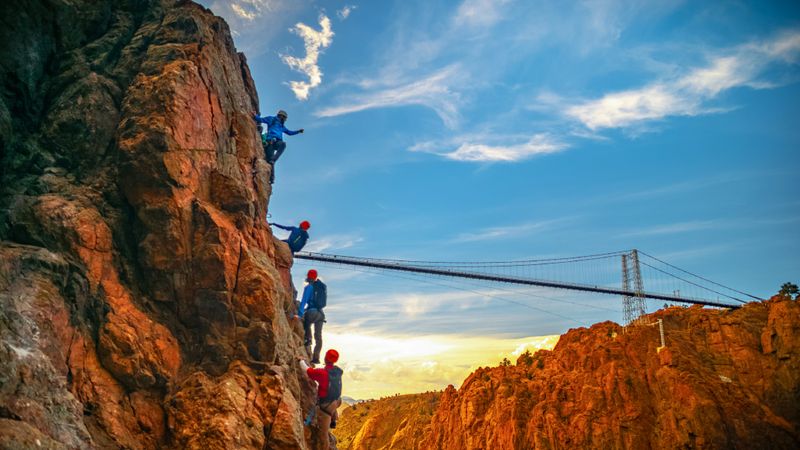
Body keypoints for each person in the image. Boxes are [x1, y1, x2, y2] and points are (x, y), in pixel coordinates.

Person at [299, 349, 343, 448]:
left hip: (326, 407)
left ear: (325, 358)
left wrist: (301, 360)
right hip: (338, 401)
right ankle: (333, 419)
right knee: (333, 408)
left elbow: (307, 370)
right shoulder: (337, 372)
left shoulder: (323, 373)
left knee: (323, 435)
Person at [253, 110, 304, 183]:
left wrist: (298, 131)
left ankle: (273, 161)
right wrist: (255, 116)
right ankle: (271, 178)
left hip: (277, 142)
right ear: (282, 116)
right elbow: (261, 119)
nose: (284, 120)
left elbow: (289, 133)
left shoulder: (282, 126)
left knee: (282, 145)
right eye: (284, 118)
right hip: (270, 142)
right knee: (270, 161)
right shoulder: (272, 119)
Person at [297, 269, 327, 364]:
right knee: (318, 336)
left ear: (308, 277)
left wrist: (300, 314)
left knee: (307, 322)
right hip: (321, 314)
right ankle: (316, 358)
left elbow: (304, 301)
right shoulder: (322, 287)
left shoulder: (309, 287)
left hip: (312, 312)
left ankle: (308, 339)